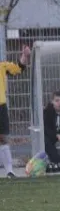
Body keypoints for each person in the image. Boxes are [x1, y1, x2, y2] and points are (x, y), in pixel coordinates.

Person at [0, 45, 30, 178]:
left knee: (3, 139)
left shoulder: (2, 66)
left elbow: (19, 68)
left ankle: (9, 171)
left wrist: (25, 56)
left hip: (0, 106)